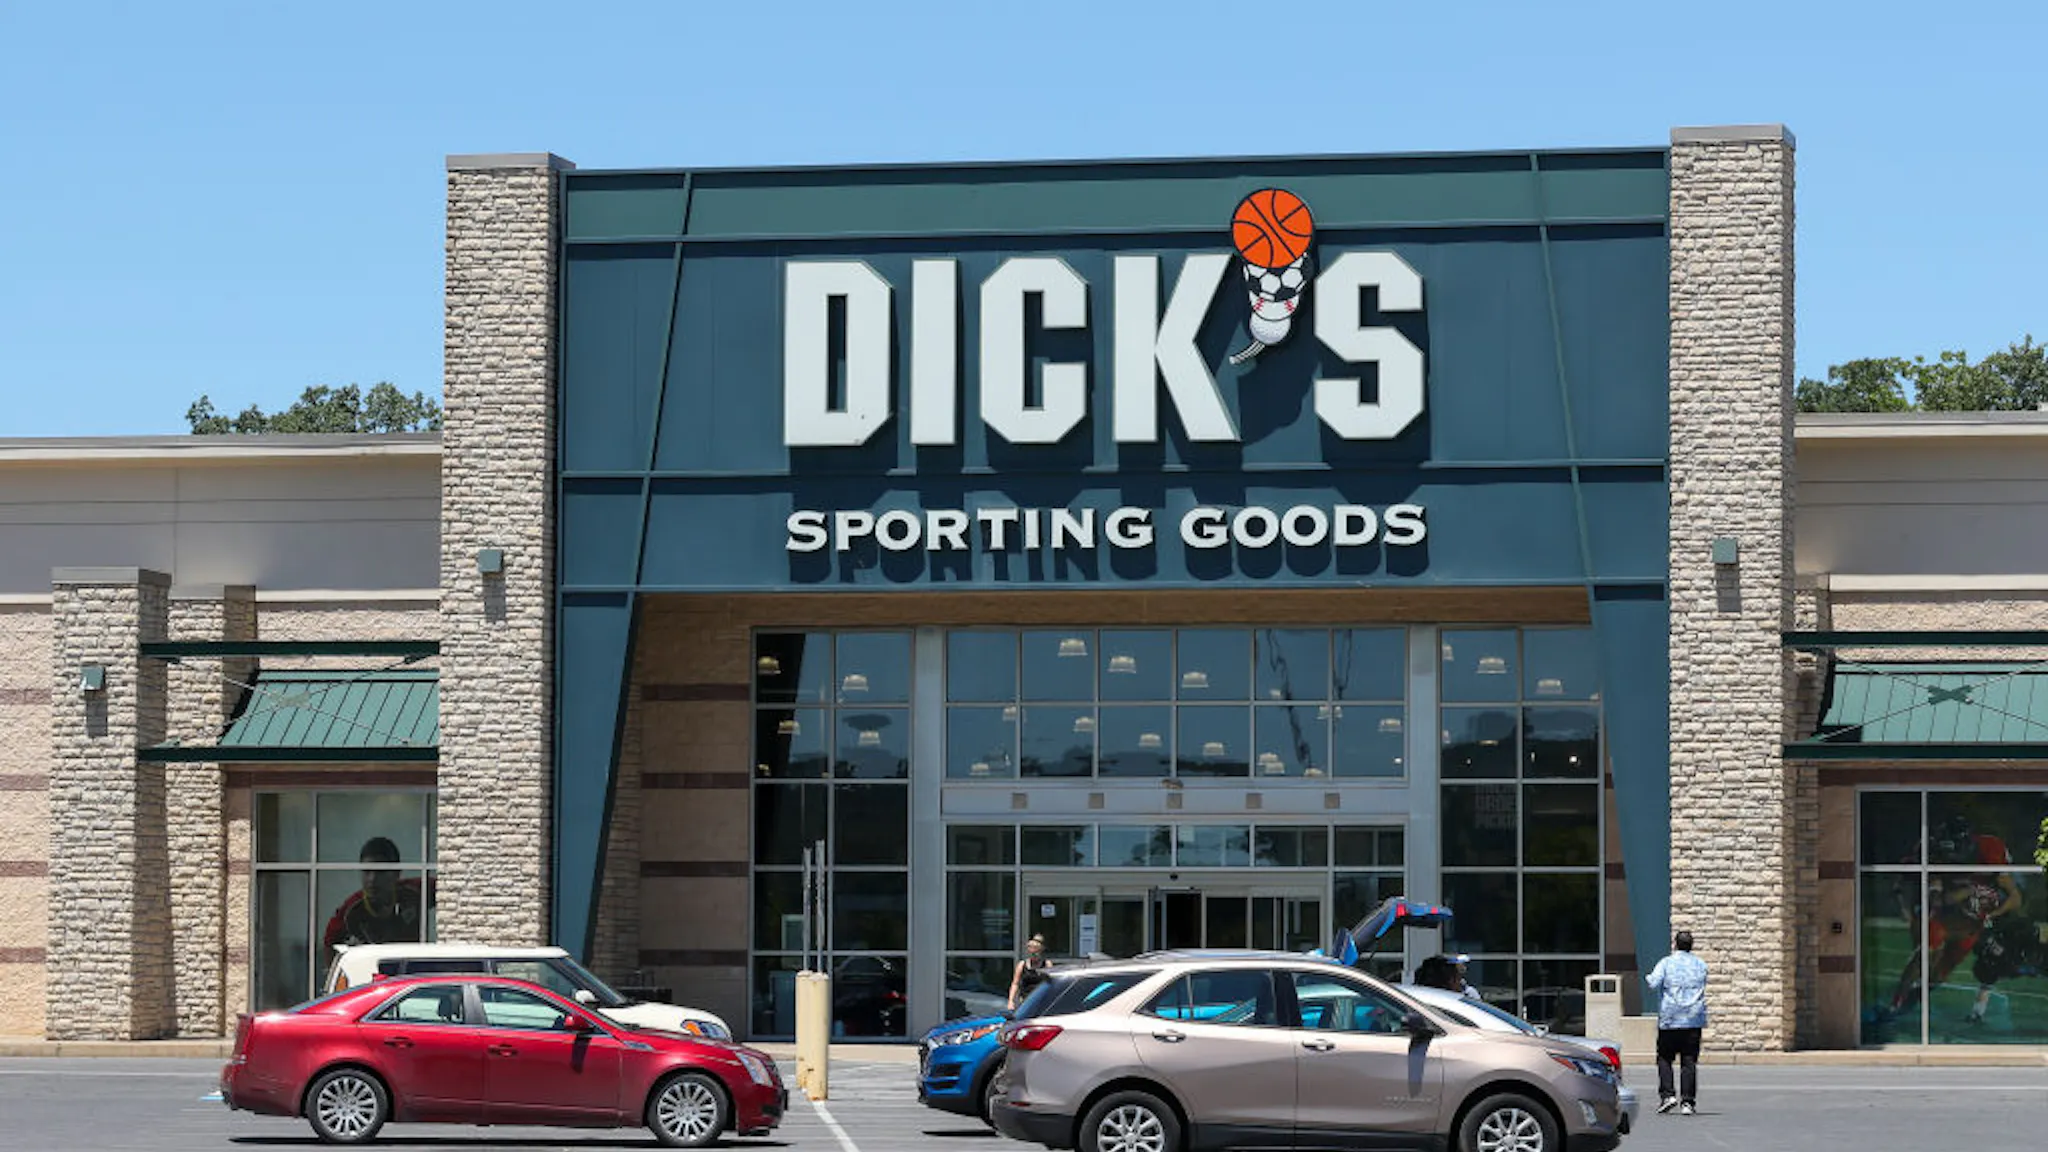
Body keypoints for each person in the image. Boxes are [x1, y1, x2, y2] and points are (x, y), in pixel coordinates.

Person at [1887, 814, 2023, 1023]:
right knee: (1924, 955)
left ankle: (1911, 1001)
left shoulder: (1988, 850)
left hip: (1971, 923)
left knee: (1939, 975)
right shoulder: (1932, 850)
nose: (1951, 855)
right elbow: (1925, 889)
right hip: (1943, 915)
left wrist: (1990, 911)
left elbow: (2014, 897)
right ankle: (1895, 1002)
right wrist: (1922, 902)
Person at [322, 836, 427, 954]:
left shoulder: (414, 891)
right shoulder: (351, 909)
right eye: (367, 872)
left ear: (397, 873)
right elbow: (329, 941)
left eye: (380, 872)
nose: (372, 879)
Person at [1645, 930, 1708, 1117]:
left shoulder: (1666, 962)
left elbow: (1653, 983)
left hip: (1670, 1019)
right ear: (1692, 945)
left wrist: (1650, 977)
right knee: (1689, 1061)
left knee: (1664, 1058)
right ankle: (1687, 1102)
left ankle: (1667, 1095)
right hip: (1693, 1019)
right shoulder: (1701, 964)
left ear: (1675, 944)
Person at [1007, 934, 1051, 1010]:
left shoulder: (1047, 964)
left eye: (1036, 953)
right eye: (1031, 953)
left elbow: (1051, 983)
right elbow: (1015, 983)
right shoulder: (1022, 965)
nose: (1034, 956)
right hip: (1025, 1000)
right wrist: (1011, 1001)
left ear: (1040, 951)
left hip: (1041, 1000)